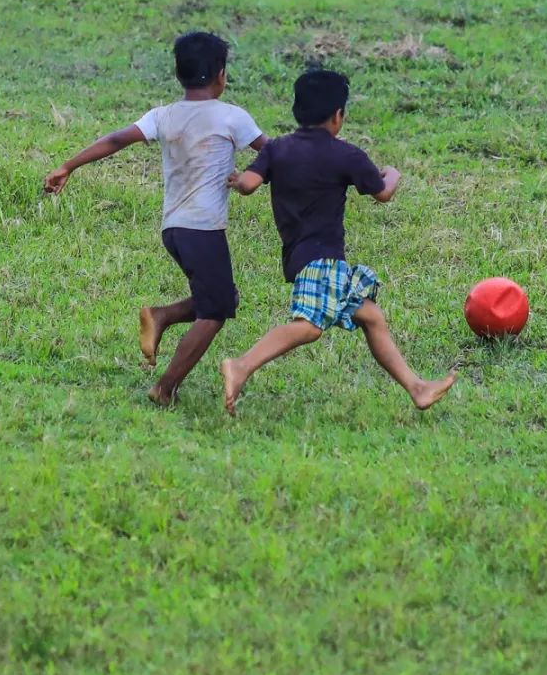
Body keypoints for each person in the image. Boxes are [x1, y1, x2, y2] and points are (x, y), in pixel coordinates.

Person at [43, 32, 265, 406]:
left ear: (178, 73)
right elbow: (273, 154)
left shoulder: (163, 115)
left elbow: (116, 139)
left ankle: (160, 316)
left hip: (174, 228)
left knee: (222, 299)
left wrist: (68, 165)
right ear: (221, 75)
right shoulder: (232, 117)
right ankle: (165, 386)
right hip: (203, 229)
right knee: (214, 312)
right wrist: (258, 175)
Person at [220, 68, 456, 416]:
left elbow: (251, 184)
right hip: (323, 257)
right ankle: (241, 365)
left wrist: (239, 180)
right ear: (338, 116)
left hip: (301, 255)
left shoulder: (278, 149)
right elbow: (384, 193)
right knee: (309, 327)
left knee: (371, 317)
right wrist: (393, 173)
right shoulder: (346, 155)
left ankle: (418, 388)